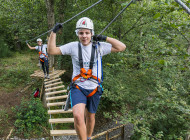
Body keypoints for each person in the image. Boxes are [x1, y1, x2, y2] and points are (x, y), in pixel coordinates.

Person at [47, 17, 126, 140]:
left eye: (87, 33)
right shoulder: (73, 46)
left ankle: (88, 137)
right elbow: (51, 50)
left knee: (90, 117)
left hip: (94, 88)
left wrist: (104, 38)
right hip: (78, 87)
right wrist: (53, 32)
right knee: (78, 116)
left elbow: (121, 47)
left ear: (92, 33)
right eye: (81, 33)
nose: (84, 36)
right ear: (77, 34)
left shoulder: (99, 46)